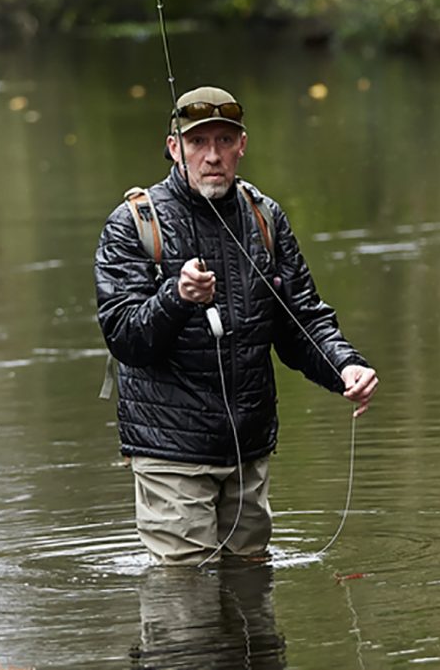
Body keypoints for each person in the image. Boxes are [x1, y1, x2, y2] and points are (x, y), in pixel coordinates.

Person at [94, 85, 379, 564]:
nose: (212, 156)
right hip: (170, 449)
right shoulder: (135, 223)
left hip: (248, 447)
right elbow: (125, 337)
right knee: (187, 602)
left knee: (251, 590)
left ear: (242, 146)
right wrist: (176, 297)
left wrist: (345, 366)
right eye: (198, 142)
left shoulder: (264, 218)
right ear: (174, 148)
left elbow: (301, 319)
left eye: (225, 141)